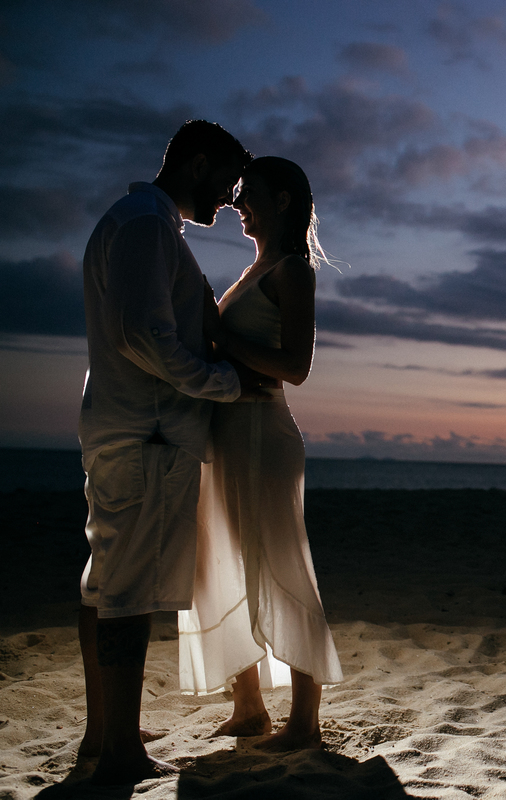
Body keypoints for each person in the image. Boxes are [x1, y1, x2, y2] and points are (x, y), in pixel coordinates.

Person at [77, 119, 253, 784]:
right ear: (197, 164)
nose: (231, 198)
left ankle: (104, 732)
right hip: (149, 436)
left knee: (105, 585)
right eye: (227, 181)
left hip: (127, 430)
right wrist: (223, 383)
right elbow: (142, 335)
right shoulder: (148, 225)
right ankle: (119, 750)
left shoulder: (136, 221)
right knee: (126, 595)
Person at [178, 156, 343, 752]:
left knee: (279, 564)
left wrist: (221, 335)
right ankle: (248, 708)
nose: (236, 203)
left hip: (261, 434)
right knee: (218, 562)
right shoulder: (255, 269)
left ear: (283, 201)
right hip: (225, 434)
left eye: (248, 193)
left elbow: (296, 366)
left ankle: (304, 722)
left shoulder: (292, 270)